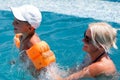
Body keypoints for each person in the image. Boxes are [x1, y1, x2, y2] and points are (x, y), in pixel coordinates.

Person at [52, 22, 118, 80]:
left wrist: (48, 67)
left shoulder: (99, 66)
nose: (82, 40)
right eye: (85, 36)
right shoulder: (90, 55)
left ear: (100, 46)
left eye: (87, 39)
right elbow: (73, 72)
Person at [10, 5, 56, 78]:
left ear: (30, 28)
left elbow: (44, 69)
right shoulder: (22, 37)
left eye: (17, 22)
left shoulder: (32, 42)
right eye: (14, 20)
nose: (13, 23)